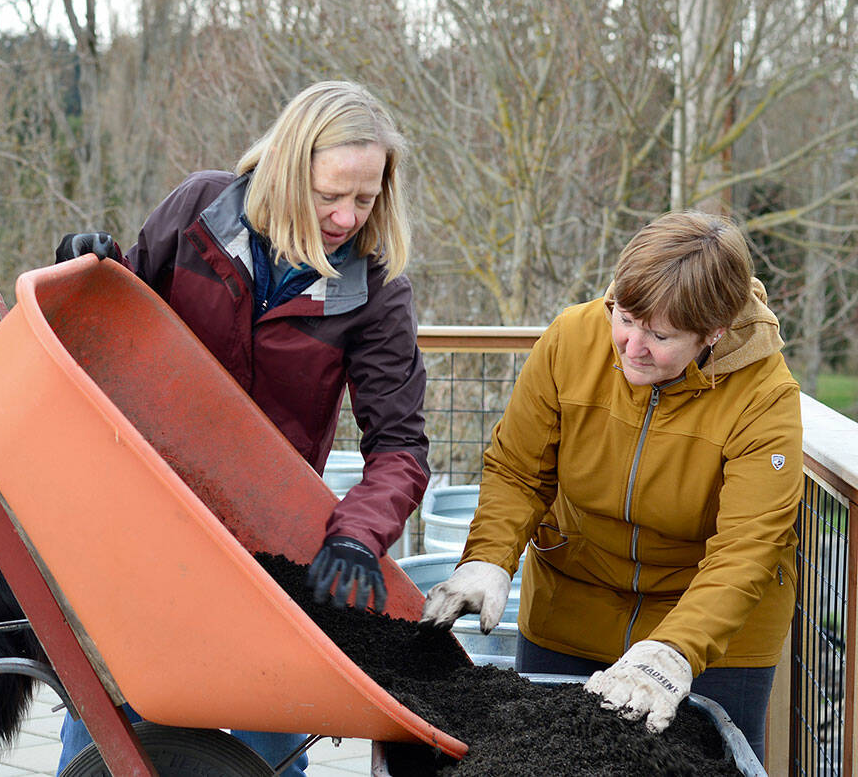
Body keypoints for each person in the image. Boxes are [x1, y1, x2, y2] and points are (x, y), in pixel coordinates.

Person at [52, 80, 430, 775]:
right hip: (146, 512)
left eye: (366, 198)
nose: (347, 216)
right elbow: (114, 322)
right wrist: (80, 266)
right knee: (114, 727)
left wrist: (355, 536)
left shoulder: (374, 293)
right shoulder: (199, 211)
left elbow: (400, 448)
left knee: (270, 747)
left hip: (263, 542)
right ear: (288, 168)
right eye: (329, 194)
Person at [420, 211, 802, 763]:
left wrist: (676, 649)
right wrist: (488, 558)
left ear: (713, 332)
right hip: (573, 601)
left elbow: (746, 549)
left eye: (661, 335)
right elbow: (518, 469)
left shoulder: (765, 395)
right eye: (625, 317)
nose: (632, 345)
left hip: (712, 631)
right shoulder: (571, 339)